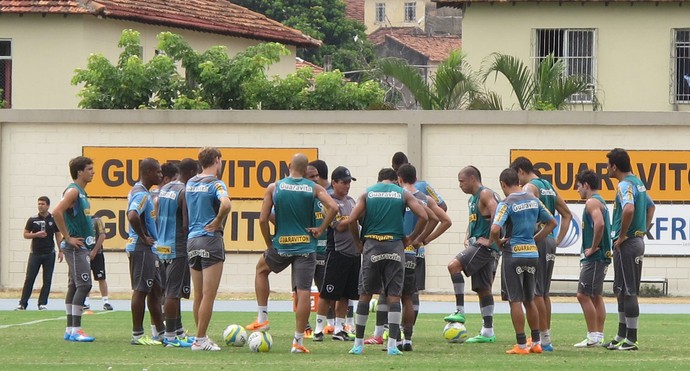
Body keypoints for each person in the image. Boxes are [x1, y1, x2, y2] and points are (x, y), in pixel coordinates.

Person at [248, 153, 338, 354]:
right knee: (304, 290)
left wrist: (269, 243)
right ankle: (298, 341)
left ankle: (262, 319)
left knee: (261, 270)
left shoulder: (275, 187)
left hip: (282, 245)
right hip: (306, 247)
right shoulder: (313, 188)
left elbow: (262, 219)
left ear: (289, 166)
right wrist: (321, 228)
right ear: (306, 170)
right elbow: (334, 206)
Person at [339, 168, 428, 356]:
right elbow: (425, 216)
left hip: (372, 246)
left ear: (378, 180)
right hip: (395, 247)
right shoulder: (402, 193)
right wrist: (411, 238)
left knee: (365, 295)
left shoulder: (367, 193)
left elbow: (352, 219)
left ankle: (358, 344)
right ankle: (392, 346)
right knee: (394, 296)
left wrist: (357, 242)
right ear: (396, 180)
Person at [490, 168, 557, 355]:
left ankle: (521, 345)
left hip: (514, 254)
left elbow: (495, 229)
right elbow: (552, 222)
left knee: (515, 300)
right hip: (532, 254)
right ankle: (536, 342)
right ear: (518, 182)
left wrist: (499, 243)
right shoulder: (533, 200)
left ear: (503, 184)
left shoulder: (506, 203)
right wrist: (535, 239)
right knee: (530, 299)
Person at [510, 156, 572, 351]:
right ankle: (545, 337)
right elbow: (567, 214)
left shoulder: (529, 188)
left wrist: (532, 237)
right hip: (550, 241)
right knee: (543, 292)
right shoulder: (548, 185)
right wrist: (557, 240)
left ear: (521, 171)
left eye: (516, 177)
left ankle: (542, 340)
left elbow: (527, 213)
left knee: (535, 292)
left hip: (538, 240)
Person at [602, 148, 655, 351]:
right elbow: (651, 207)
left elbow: (629, 208)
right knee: (621, 290)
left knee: (629, 291)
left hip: (628, 243)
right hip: (634, 241)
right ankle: (620, 335)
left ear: (615, 166)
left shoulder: (625, 185)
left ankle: (631, 340)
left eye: (608, 165)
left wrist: (624, 234)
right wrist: (643, 229)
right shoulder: (638, 182)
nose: (606, 169)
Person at [396, 164, 450, 351]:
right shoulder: (424, 198)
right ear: (415, 178)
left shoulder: (398, 195)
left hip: (396, 250)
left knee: (393, 296)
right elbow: (444, 220)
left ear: (400, 178)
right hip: (415, 253)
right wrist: (422, 239)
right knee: (409, 296)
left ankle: (393, 339)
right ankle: (408, 338)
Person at [444, 166, 500, 344]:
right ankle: (488, 331)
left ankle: (460, 311)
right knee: (483, 289)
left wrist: (491, 240)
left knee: (453, 266)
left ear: (473, 179)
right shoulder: (472, 199)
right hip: (479, 245)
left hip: (484, 247)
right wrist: (469, 233)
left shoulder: (485, 194)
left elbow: (497, 212)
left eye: (461, 181)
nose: (459, 185)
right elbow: (480, 218)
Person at [186, 148, 232, 351]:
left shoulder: (190, 183)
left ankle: (200, 337)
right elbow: (226, 204)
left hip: (192, 241)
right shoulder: (216, 183)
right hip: (210, 240)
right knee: (208, 295)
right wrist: (217, 221)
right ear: (217, 160)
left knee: (198, 295)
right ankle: (200, 339)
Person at [313, 166, 361, 342]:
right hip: (337, 253)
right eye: (344, 182)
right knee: (328, 293)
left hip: (353, 254)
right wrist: (354, 217)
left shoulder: (351, 201)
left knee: (346, 295)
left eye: (349, 182)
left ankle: (339, 328)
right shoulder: (329, 201)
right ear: (334, 182)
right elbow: (338, 226)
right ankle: (319, 328)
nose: (347, 186)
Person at [52, 156, 96, 342]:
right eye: (90, 169)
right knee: (85, 284)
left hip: (81, 245)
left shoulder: (81, 193)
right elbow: (56, 212)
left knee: (74, 285)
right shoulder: (73, 191)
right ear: (80, 172)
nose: (93, 172)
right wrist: (67, 237)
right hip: (76, 247)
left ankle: (70, 329)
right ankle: (76, 329)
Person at [157, 158, 199, 348]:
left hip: (162, 245)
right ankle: (171, 337)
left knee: (171, 290)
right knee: (173, 292)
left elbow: (157, 213)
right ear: (190, 172)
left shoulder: (165, 188)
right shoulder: (184, 191)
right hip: (177, 246)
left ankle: (178, 331)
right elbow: (185, 223)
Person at [126, 158, 164, 346]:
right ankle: (137, 335)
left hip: (149, 249)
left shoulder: (141, 191)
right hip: (142, 249)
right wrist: (143, 237)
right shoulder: (140, 194)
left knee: (156, 289)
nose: (160, 175)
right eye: (157, 172)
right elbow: (132, 215)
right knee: (141, 290)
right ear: (148, 172)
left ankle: (161, 333)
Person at [574, 169, 612, 348]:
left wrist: (594, 247)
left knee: (583, 295)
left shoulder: (592, 202)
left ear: (586, 185)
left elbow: (600, 223)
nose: (577, 190)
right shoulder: (600, 201)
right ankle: (598, 335)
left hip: (595, 257)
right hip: (601, 257)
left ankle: (593, 336)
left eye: (579, 186)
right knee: (596, 296)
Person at [17, 196, 62, 311]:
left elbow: (58, 235)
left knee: (47, 279)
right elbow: (25, 234)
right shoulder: (32, 219)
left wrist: (61, 250)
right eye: (39, 204)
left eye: (42, 204)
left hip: (49, 253)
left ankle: (42, 303)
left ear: (48, 205)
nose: (40, 206)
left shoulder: (53, 219)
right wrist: (36, 235)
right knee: (29, 278)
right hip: (35, 254)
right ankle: (23, 303)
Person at [85, 216, 113, 311]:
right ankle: (86, 302)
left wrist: (94, 251)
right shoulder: (80, 220)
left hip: (97, 254)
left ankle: (105, 301)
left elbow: (102, 235)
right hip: (84, 254)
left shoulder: (97, 220)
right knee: (85, 278)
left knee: (101, 278)